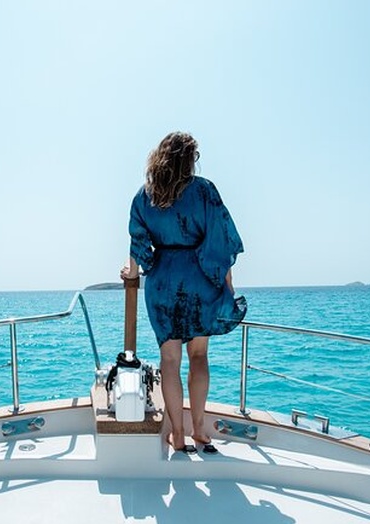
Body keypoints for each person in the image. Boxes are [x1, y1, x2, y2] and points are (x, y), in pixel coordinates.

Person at [120, 131, 246, 454]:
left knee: (169, 359)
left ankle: (177, 433)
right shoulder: (204, 192)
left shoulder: (145, 195)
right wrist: (228, 287)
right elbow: (220, 240)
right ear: (190, 159)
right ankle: (199, 429)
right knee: (199, 356)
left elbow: (137, 242)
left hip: (162, 282)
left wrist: (132, 274)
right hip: (200, 279)